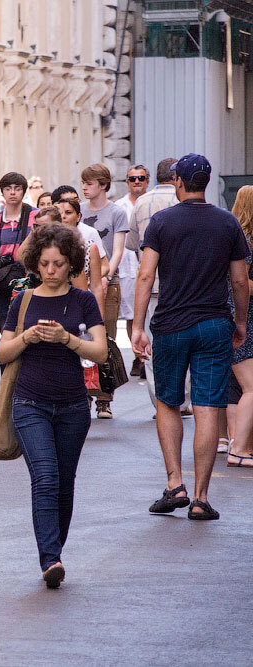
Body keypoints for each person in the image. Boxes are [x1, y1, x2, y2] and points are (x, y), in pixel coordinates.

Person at [131, 154, 251, 521]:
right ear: (208, 182)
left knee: (168, 403)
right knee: (207, 405)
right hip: (214, 324)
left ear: (179, 182)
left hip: (170, 324)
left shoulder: (162, 222)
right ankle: (200, 497)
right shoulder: (227, 222)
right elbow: (239, 281)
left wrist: (136, 326)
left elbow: (146, 276)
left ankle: (174, 485)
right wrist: (241, 323)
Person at [0, 224, 108, 589]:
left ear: (70, 263)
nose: (50, 270)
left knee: (64, 482)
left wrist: (68, 339)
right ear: (35, 262)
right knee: (45, 478)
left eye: (58, 264)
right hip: (30, 402)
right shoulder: (22, 300)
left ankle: (54, 548)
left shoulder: (83, 300)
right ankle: (50, 559)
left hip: (74, 405)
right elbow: (3, 351)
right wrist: (27, 337)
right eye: (44, 263)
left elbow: (101, 352)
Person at [126, 158, 181, 406]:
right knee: (183, 342)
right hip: (181, 283)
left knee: (152, 342)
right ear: (177, 176)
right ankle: (183, 400)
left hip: (152, 282)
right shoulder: (183, 200)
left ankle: (159, 400)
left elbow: (132, 244)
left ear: (155, 178)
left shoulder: (141, 203)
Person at [80, 163, 129, 419]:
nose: (85, 187)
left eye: (90, 183)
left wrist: (107, 275)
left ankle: (104, 398)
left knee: (105, 337)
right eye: (84, 183)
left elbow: (117, 249)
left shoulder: (116, 212)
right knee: (83, 337)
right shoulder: (78, 210)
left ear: (103, 184)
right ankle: (85, 394)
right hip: (82, 282)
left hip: (108, 280)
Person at [0, 172, 38, 329]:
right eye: (8, 188)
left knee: (29, 327)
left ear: (24, 191)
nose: (12, 192)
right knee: (5, 328)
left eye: (17, 188)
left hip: (31, 280)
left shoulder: (36, 216)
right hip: (5, 283)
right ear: (2, 192)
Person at [226, 186, 253, 468]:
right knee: (251, 387)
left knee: (238, 387)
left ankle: (238, 443)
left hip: (237, 317)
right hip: (243, 319)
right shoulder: (246, 241)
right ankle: (240, 448)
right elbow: (241, 282)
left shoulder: (234, 236)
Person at [115, 165, 150, 377]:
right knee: (131, 315)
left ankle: (150, 357)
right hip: (127, 267)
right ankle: (139, 357)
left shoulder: (152, 202)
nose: (137, 182)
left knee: (150, 313)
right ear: (127, 182)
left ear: (148, 180)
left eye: (141, 178)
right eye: (132, 179)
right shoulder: (119, 206)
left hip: (149, 265)